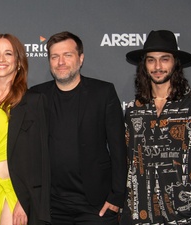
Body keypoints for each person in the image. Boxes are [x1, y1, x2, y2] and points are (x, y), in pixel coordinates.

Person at [121, 30, 191, 225]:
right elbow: (127, 163)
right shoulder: (133, 110)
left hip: (184, 216)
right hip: (138, 216)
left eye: (164, 59)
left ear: (175, 63)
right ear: (144, 65)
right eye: (151, 60)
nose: (157, 66)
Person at [31, 31, 127, 225]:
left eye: (67, 55)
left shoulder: (103, 93)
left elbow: (118, 149)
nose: (61, 62)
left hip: (96, 205)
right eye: (54, 56)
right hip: (51, 206)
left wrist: (117, 196)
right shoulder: (36, 95)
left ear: (80, 59)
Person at [0, 33, 51, 225]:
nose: (1, 59)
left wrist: (24, 200)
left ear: (18, 62)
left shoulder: (32, 101)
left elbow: (40, 157)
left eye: (8, 54)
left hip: (15, 189)